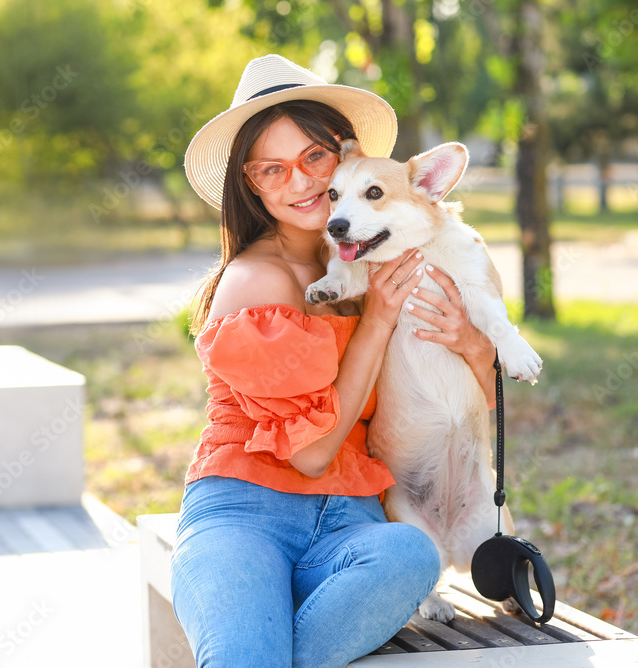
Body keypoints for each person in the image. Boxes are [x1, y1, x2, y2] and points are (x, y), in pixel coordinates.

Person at [171, 54, 498, 667]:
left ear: (344, 158)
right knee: (248, 658)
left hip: (353, 522)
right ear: (252, 185)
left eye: (314, 158)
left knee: (411, 555)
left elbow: (478, 406)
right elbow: (312, 453)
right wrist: (376, 319)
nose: (301, 183)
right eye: (273, 168)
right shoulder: (255, 281)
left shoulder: (388, 255)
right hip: (246, 510)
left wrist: (474, 344)